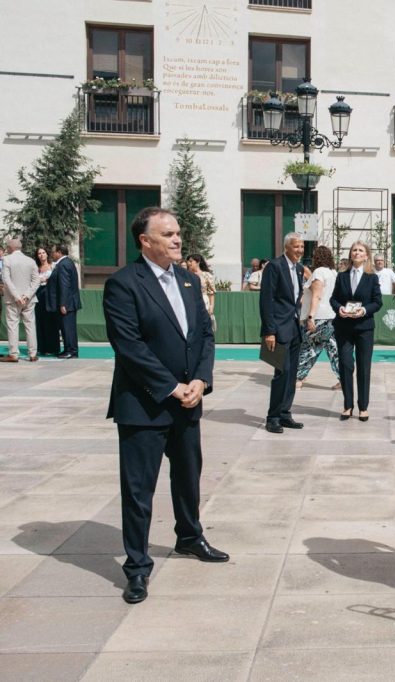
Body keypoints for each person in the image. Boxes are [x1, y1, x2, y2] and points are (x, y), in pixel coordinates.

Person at [102, 207, 227, 605]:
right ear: (145, 240)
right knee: (139, 490)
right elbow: (129, 346)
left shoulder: (189, 281)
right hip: (144, 405)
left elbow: (205, 334)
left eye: (178, 233)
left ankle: (189, 536)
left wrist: (200, 380)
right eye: (168, 234)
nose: (177, 239)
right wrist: (172, 387)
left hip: (188, 402)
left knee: (188, 477)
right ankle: (137, 567)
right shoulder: (123, 284)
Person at [330, 241, 382, 422]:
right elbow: (333, 299)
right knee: (345, 365)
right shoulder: (341, 276)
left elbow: (377, 302)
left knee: (363, 367)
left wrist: (364, 310)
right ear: (350, 254)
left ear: (366, 255)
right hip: (343, 327)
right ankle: (347, 405)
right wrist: (339, 308)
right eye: (354, 250)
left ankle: (363, 407)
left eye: (360, 250)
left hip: (364, 328)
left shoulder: (372, 278)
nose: (357, 253)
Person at [260, 234, 306, 434]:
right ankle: (273, 417)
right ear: (286, 247)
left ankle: (285, 413)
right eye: (296, 246)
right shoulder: (274, 266)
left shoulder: (299, 269)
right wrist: (269, 331)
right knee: (281, 373)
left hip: (295, 328)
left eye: (302, 246)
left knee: (292, 373)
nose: (300, 250)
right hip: (278, 329)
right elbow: (266, 300)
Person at [296, 245, 341, 390]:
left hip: (319, 316)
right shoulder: (333, 273)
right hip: (332, 316)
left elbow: (317, 295)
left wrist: (310, 316)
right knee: (334, 350)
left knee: (308, 348)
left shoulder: (319, 272)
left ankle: (298, 379)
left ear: (317, 257)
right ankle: (344, 380)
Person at [1, 238, 41, 362]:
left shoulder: (6, 260)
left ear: (10, 248)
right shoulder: (31, 261)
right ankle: (33, 354)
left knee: (13, 325)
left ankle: (13, 354)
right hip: (29, 299)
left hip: (12, 300)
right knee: (30, 325)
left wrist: (17, 296)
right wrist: (27, 295)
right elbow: (37, 281)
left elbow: (6, 280)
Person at [47, 244, 80, 359]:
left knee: (68, 328)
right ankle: (68, 349)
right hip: (68, 302)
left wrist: (63, 304)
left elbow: (64, 285)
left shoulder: (63, 264)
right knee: (66, 327)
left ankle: (71, 350)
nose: (52, 254)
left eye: (54, 252)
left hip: (67, 304)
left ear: (59, 252)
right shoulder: (66, 263)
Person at [34, 246, 59, 357]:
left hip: (50, 295)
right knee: (40, 321)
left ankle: (52, 348)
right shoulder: (36, 268)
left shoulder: (53, 266)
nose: (41, 255)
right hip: (38, 295)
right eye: (39, 253)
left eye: (43, 252)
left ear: (47, 254)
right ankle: (41, 348)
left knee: (51, 321)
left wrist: (47, 279)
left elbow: (57, 279)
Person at [185, 254, 216, 330]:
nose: (189, 263)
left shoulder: (206, 275)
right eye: (188, 261)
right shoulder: (185, 275)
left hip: (203, 301)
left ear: (197, 262)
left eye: (191, 261)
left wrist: (211, 306)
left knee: (203, 324)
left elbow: (211, 292)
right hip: (189, 301)